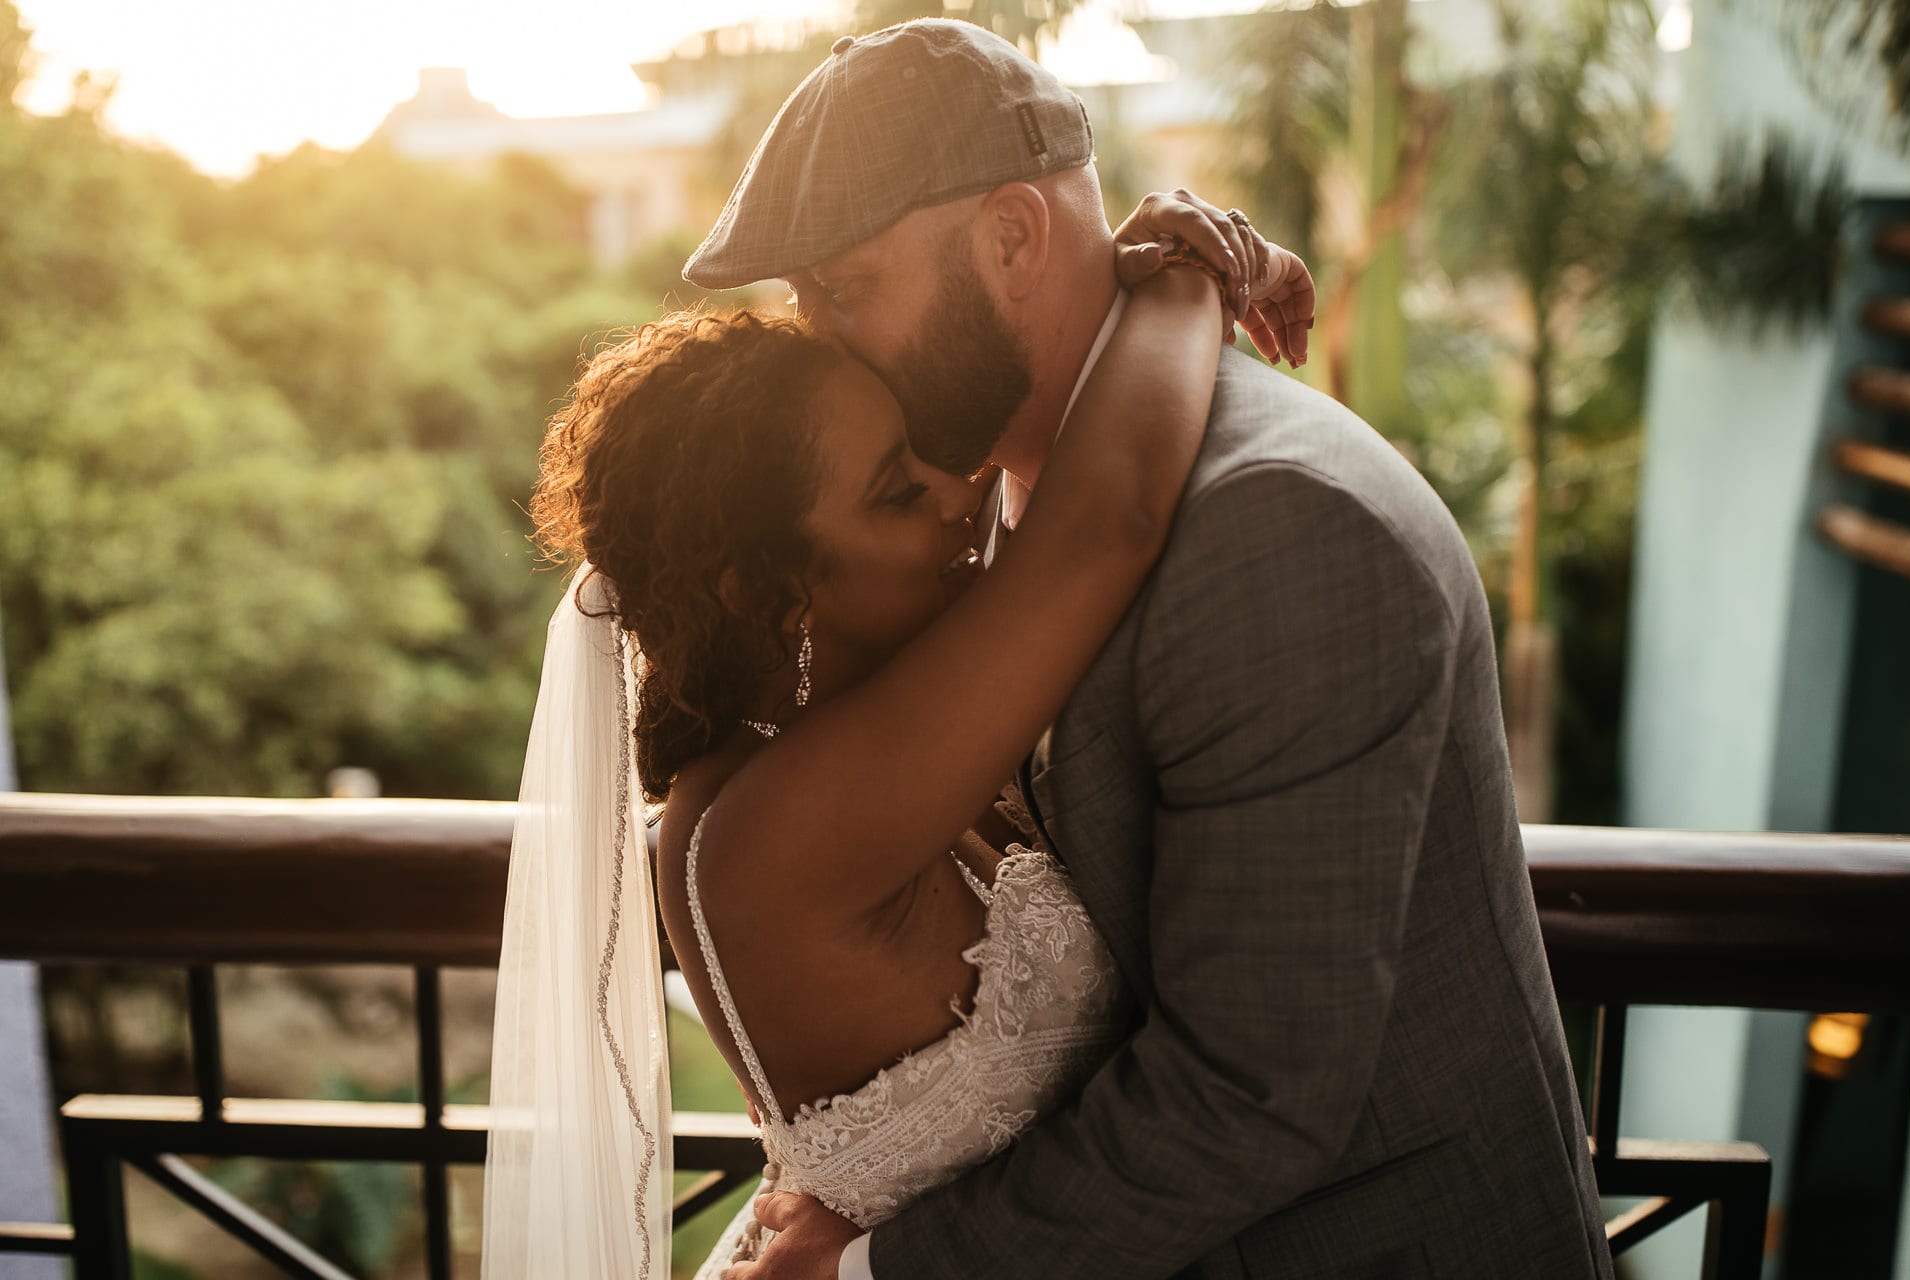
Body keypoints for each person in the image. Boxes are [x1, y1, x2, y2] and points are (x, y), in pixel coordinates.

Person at [676, 18, 1613, 1280]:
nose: (819, 340)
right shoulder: (992, 512)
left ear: (1012, 238)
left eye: (845, 286)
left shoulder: (1280, 528)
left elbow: (1253, 1093)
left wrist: (878, 1265)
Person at [478, 166, 1308, 1278]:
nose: (958, 493)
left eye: (923, 454)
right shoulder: (768, 832)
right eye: (895, 493)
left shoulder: (856, 724)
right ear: (765, 590)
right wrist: (1187, 271)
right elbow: (1103, 523)